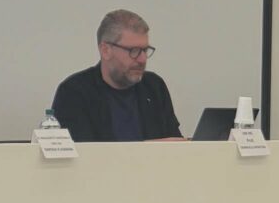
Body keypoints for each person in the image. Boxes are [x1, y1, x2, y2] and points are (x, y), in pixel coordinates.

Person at [51, 9, 183, 142]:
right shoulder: (74, 92)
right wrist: (145, 149)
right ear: (106, 50)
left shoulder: (154, 87)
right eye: (134, 51)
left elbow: (176, 144)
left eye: (145, 50)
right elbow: (83, 151)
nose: (142, 59)